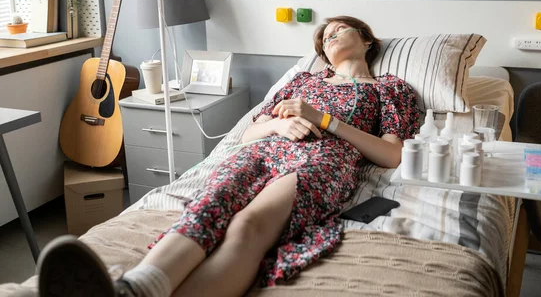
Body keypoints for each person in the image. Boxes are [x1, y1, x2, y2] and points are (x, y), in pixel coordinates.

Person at [37, 16, 420, 297]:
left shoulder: (389, 89)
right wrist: (276, 126)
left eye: (338, 29)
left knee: (248, 224)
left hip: (324, 159)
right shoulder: (304, 81)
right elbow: (249, 132)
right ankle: (136, 288)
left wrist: (323, 119)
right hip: (265, 147)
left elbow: (390, 154)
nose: (330, 37)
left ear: (367, 39)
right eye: (324, 38)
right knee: (209, 206)